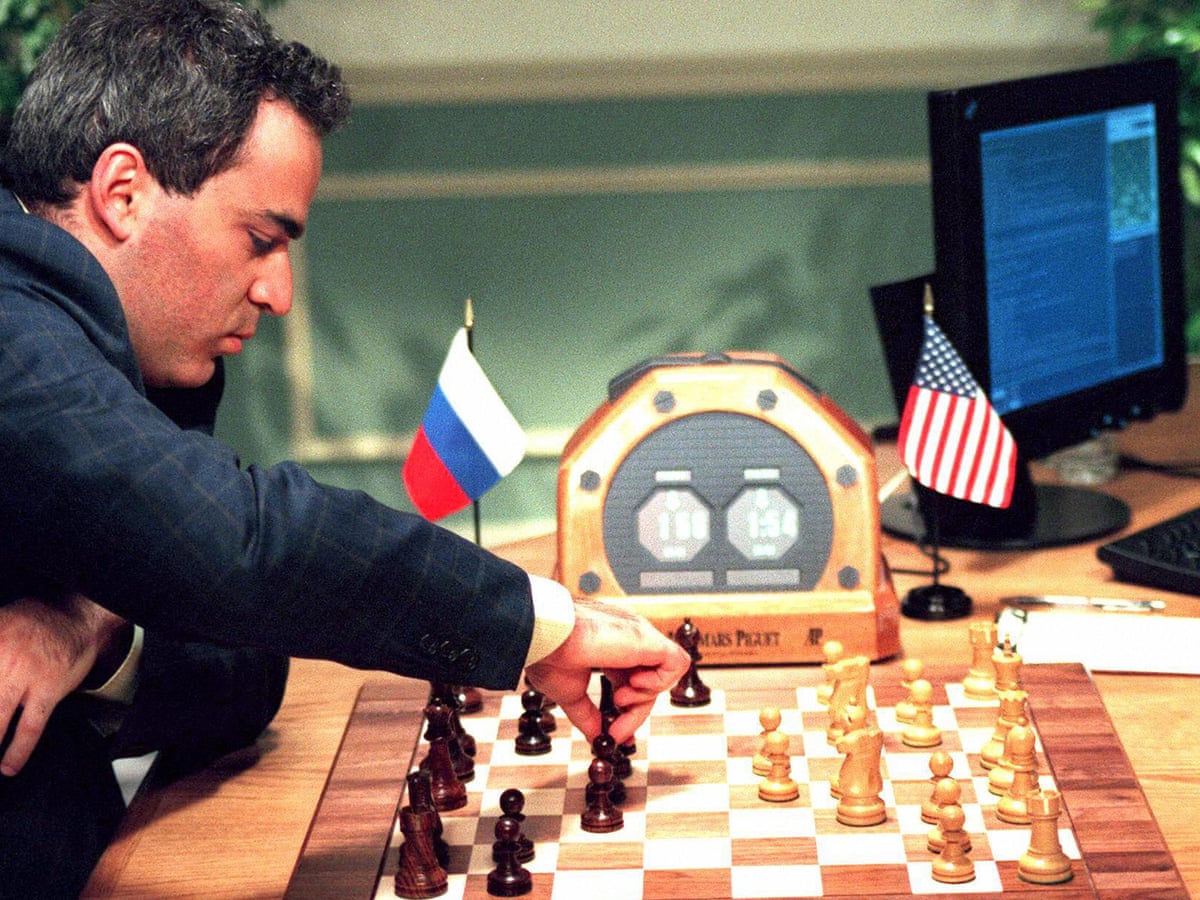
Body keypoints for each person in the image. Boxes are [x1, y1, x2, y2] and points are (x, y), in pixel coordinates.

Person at [0, 1, 690, 895]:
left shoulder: (101, 349)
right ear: (122, 192)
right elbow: (239, 551)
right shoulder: (16, 335)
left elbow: (243, 663)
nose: (279, 292)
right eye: (260, 239)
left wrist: (85, 632)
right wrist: (540, 626)